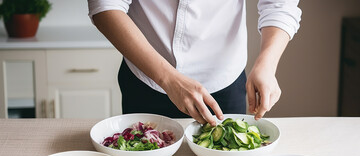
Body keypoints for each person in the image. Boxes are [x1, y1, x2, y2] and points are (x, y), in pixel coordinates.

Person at [87, 1, 301, 126]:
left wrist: (267, 64)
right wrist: (168, 79)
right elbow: (105, 5)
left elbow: (280, 6)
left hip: (225, 82)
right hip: (146, 77)